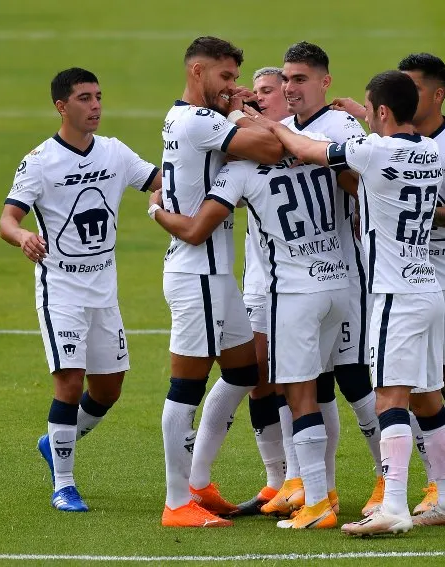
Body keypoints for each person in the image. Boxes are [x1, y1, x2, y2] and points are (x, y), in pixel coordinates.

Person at [245, 69, 445, 534]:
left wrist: (268, 123)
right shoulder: (428, 150)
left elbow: (307, 149)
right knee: (429, 397)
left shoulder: (373, 151)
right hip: (428, 285)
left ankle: (392, 505)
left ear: (383, 112)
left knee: (391, 397)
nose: (365, 117)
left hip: (394, 294)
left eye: (370, 110)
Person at [149, 126, 351, 531]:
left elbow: (194, 229)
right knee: (280, 380)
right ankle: (312, 490)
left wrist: (156, 209)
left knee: (300, 395)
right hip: (339, 283)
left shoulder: (240, 170)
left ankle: (315, 502)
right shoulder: (317, 152)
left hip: (294, 293)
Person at [0, 67, 161, 512]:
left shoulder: (114, 152)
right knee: (69, 382)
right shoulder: (40, 161)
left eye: (98, 97)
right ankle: (64, 484)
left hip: (104, 289)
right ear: (61, 106)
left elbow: (159, 181)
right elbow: (7, 220)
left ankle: (55, 443)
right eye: (85, 98)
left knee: (109, 390)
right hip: (62, 287)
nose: (95, 106)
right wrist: (24, 237)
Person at [333, 53, 445, 514]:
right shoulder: (413, 145)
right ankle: (442, 492)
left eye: (413, 86)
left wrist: (398, 205)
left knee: (443, 381)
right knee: (421, 390)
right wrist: (365, 116)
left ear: (437, 94)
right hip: (414, 275)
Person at [156, 36, 285, 528]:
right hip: (197, 273)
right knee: (185, 387)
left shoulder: (179, 117)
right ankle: (176, 502)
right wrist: (242, 115)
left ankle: (199, 482)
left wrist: (232, 108)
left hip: (214, 274)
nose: (234, 87)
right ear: (197, 71)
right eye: (226, 78)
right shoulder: (199, 121)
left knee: (244, 372)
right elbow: (271, 147)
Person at [259, 40, 385, 519]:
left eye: (300, 79)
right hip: (306, 277)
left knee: (355, 380)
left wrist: (323, 161)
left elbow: (365, 184)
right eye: (286, 79)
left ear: (325, 82)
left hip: (347, 276)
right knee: (315, 383)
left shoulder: (342, 126)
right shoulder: (282, 130)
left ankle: (383, 480)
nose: (290, 88)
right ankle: (320, 489)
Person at [235, 66, 292, 516]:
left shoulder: (298, 138)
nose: (260, 98)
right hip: (260, 279)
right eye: (254, 92)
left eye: (268, 91)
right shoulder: (253, 143)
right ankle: (277, 480)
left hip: (314, 281)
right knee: (258, 377)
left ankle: (302, 479)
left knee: (311, 383)